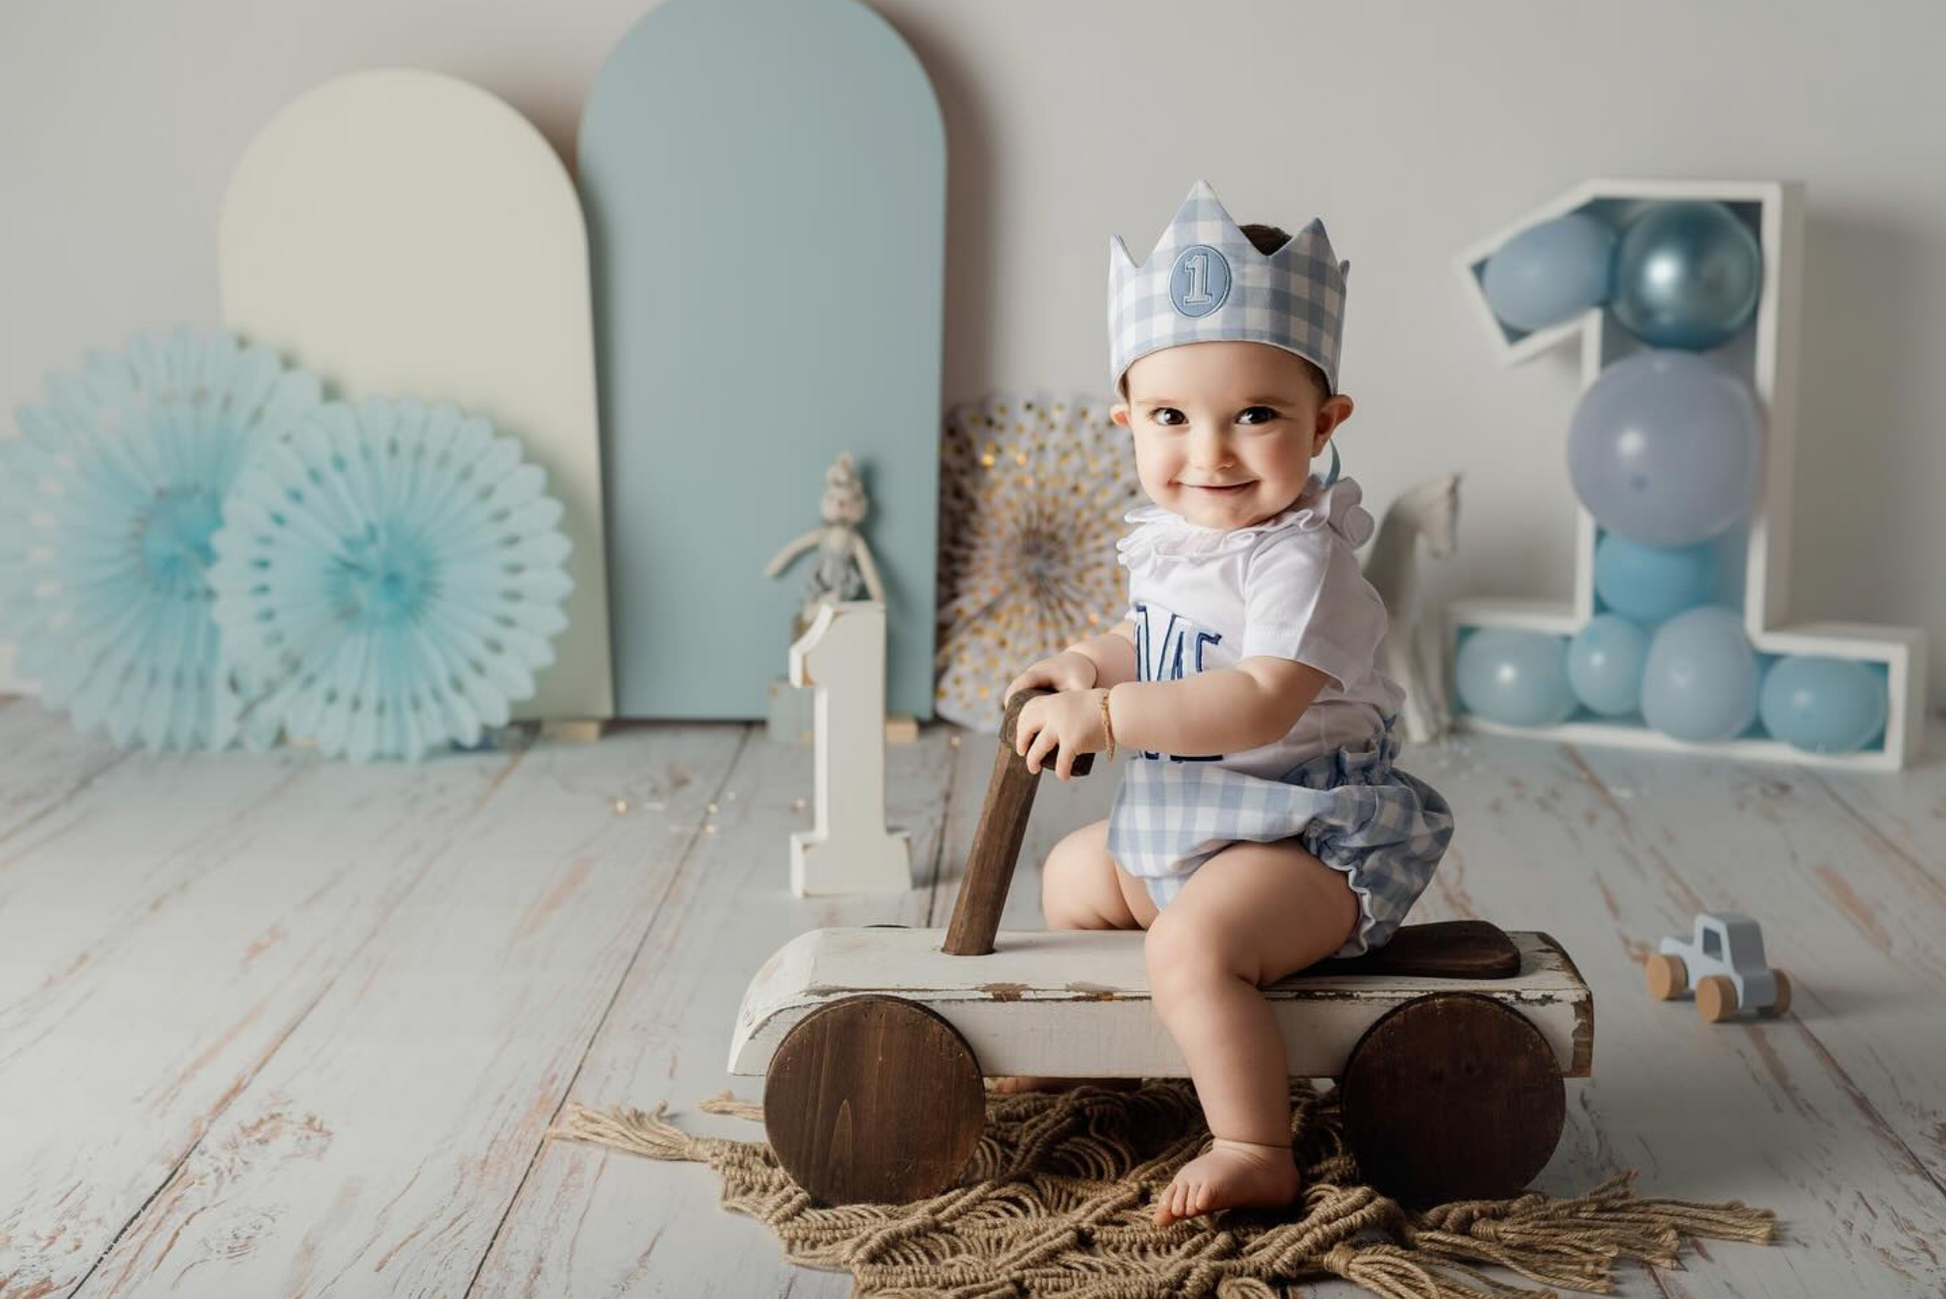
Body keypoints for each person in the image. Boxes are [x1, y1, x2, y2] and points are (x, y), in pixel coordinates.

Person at [997, 180, 1455, 1229]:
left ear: (1323, 421)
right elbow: (1149, 644)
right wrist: (1084, 665)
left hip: (1298, 843)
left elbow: (1253, 699)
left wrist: (1108, 722)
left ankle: (1253, 1141)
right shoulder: (1173, 542)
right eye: (1169, 418)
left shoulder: (1305, 561)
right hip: (1187, 831)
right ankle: (1107, 1057)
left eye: (1254, 416)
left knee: (1188, 946)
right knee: (1071, 878)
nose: (1207, 453)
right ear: (1125, 421)